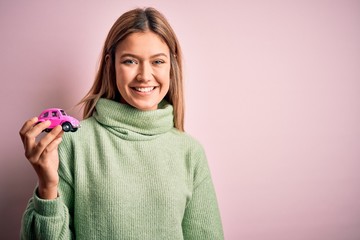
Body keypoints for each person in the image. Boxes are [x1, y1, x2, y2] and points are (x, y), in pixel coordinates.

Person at [19, 7, 224, 240]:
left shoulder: (190, 152)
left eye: (158, 61)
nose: (145, 76)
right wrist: (47, 187)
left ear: (171, 67)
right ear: (111, 65)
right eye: (130, 61)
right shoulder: (72, 143)